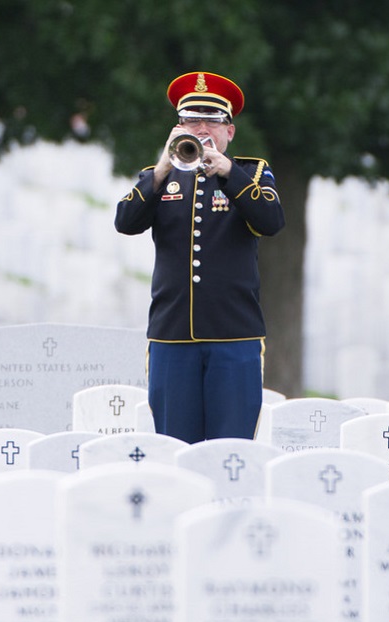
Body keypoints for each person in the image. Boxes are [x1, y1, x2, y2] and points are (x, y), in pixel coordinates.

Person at [115, 71, 285, 443]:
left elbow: (271, 221)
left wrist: (229, 173)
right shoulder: (158, 177)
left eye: (213, 121)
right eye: (192, 120)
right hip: (172, 337)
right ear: (178, 128)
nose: (203, 129)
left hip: (234, 336)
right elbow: (125, 222)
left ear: (230, 132)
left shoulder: (251, 173)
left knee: (231, 449)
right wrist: (162, 169)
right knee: (175, 446)